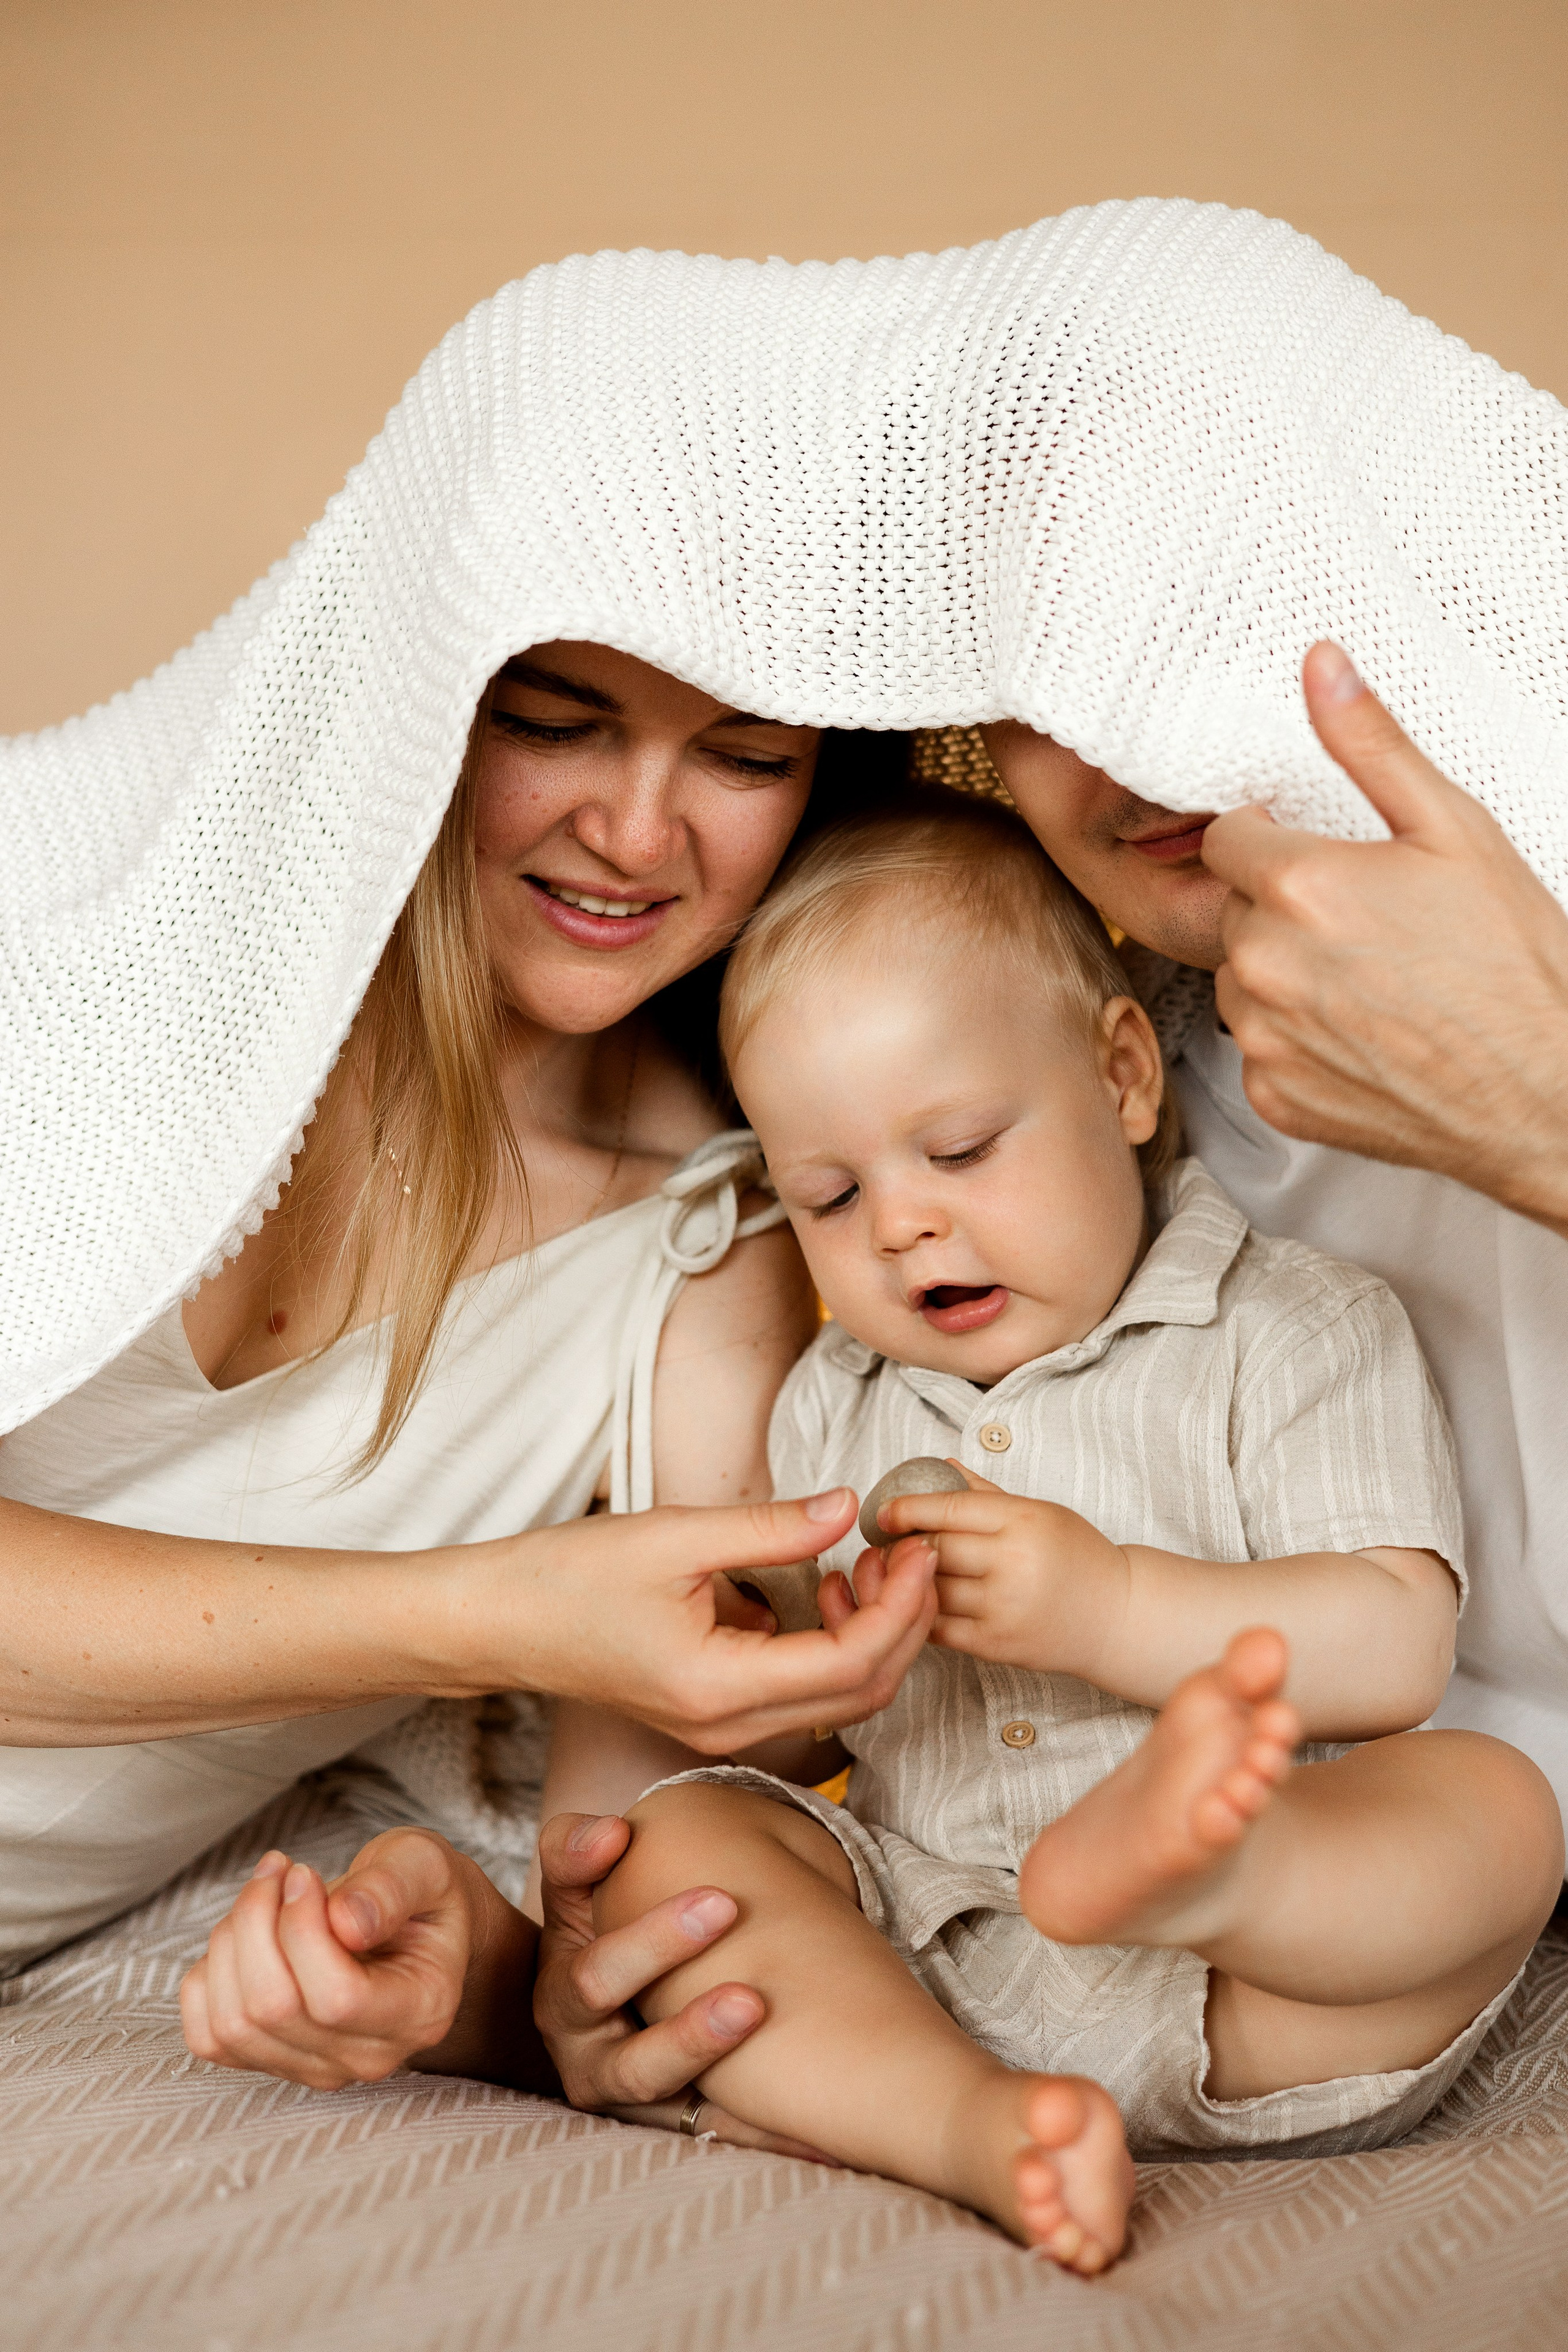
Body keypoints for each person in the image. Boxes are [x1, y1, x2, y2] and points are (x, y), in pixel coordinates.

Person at [582, 794, 1559, 2268]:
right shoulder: (831, 1402)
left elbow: (1394, 1642)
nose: (902, 1227)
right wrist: (823, 1662)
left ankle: (1209, 1867)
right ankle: (973, 2127)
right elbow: (785, 1733)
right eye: (832, 1196)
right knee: (685, 1846)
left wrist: (1106, 1608)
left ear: (1119, 1076)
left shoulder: (1286, 1326)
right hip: (928, 1948)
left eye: (960, 1150)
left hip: (1262, 1981)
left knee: (1496, 1813)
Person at [1, 639, 937, 2120]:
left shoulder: (699, 1240)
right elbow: (554, 1623)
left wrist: (488, 1991)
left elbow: (633, 1887)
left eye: (746, 758)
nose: (636, 836)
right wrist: (497, 1612)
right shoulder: (91, 983)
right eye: (556, 726)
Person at [984, 641, 1568, 1836]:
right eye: (1047, 670)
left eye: (1225, 619)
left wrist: (1536, 1104)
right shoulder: (1051, 1096)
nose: (1137, 741)